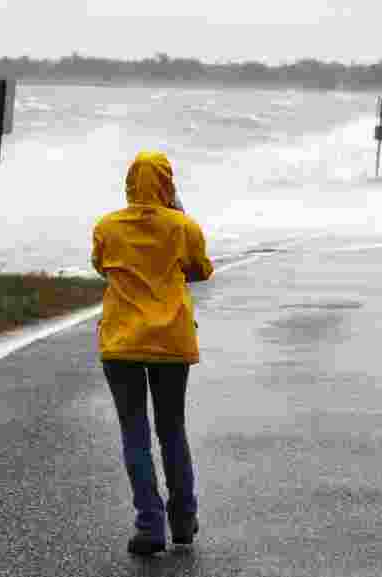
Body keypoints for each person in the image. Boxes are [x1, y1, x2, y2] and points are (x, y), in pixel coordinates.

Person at [91, 150, 214, 555]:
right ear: (168, 183)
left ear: (129, 183)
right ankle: (183, 520)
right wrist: (176, 210)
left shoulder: (108, 226)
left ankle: (149, 525)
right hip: (171, 343)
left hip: (122, 342)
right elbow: (201, 271)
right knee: (172, 429)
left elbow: (100, 266)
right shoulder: (183, 226)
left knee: (135, 433)